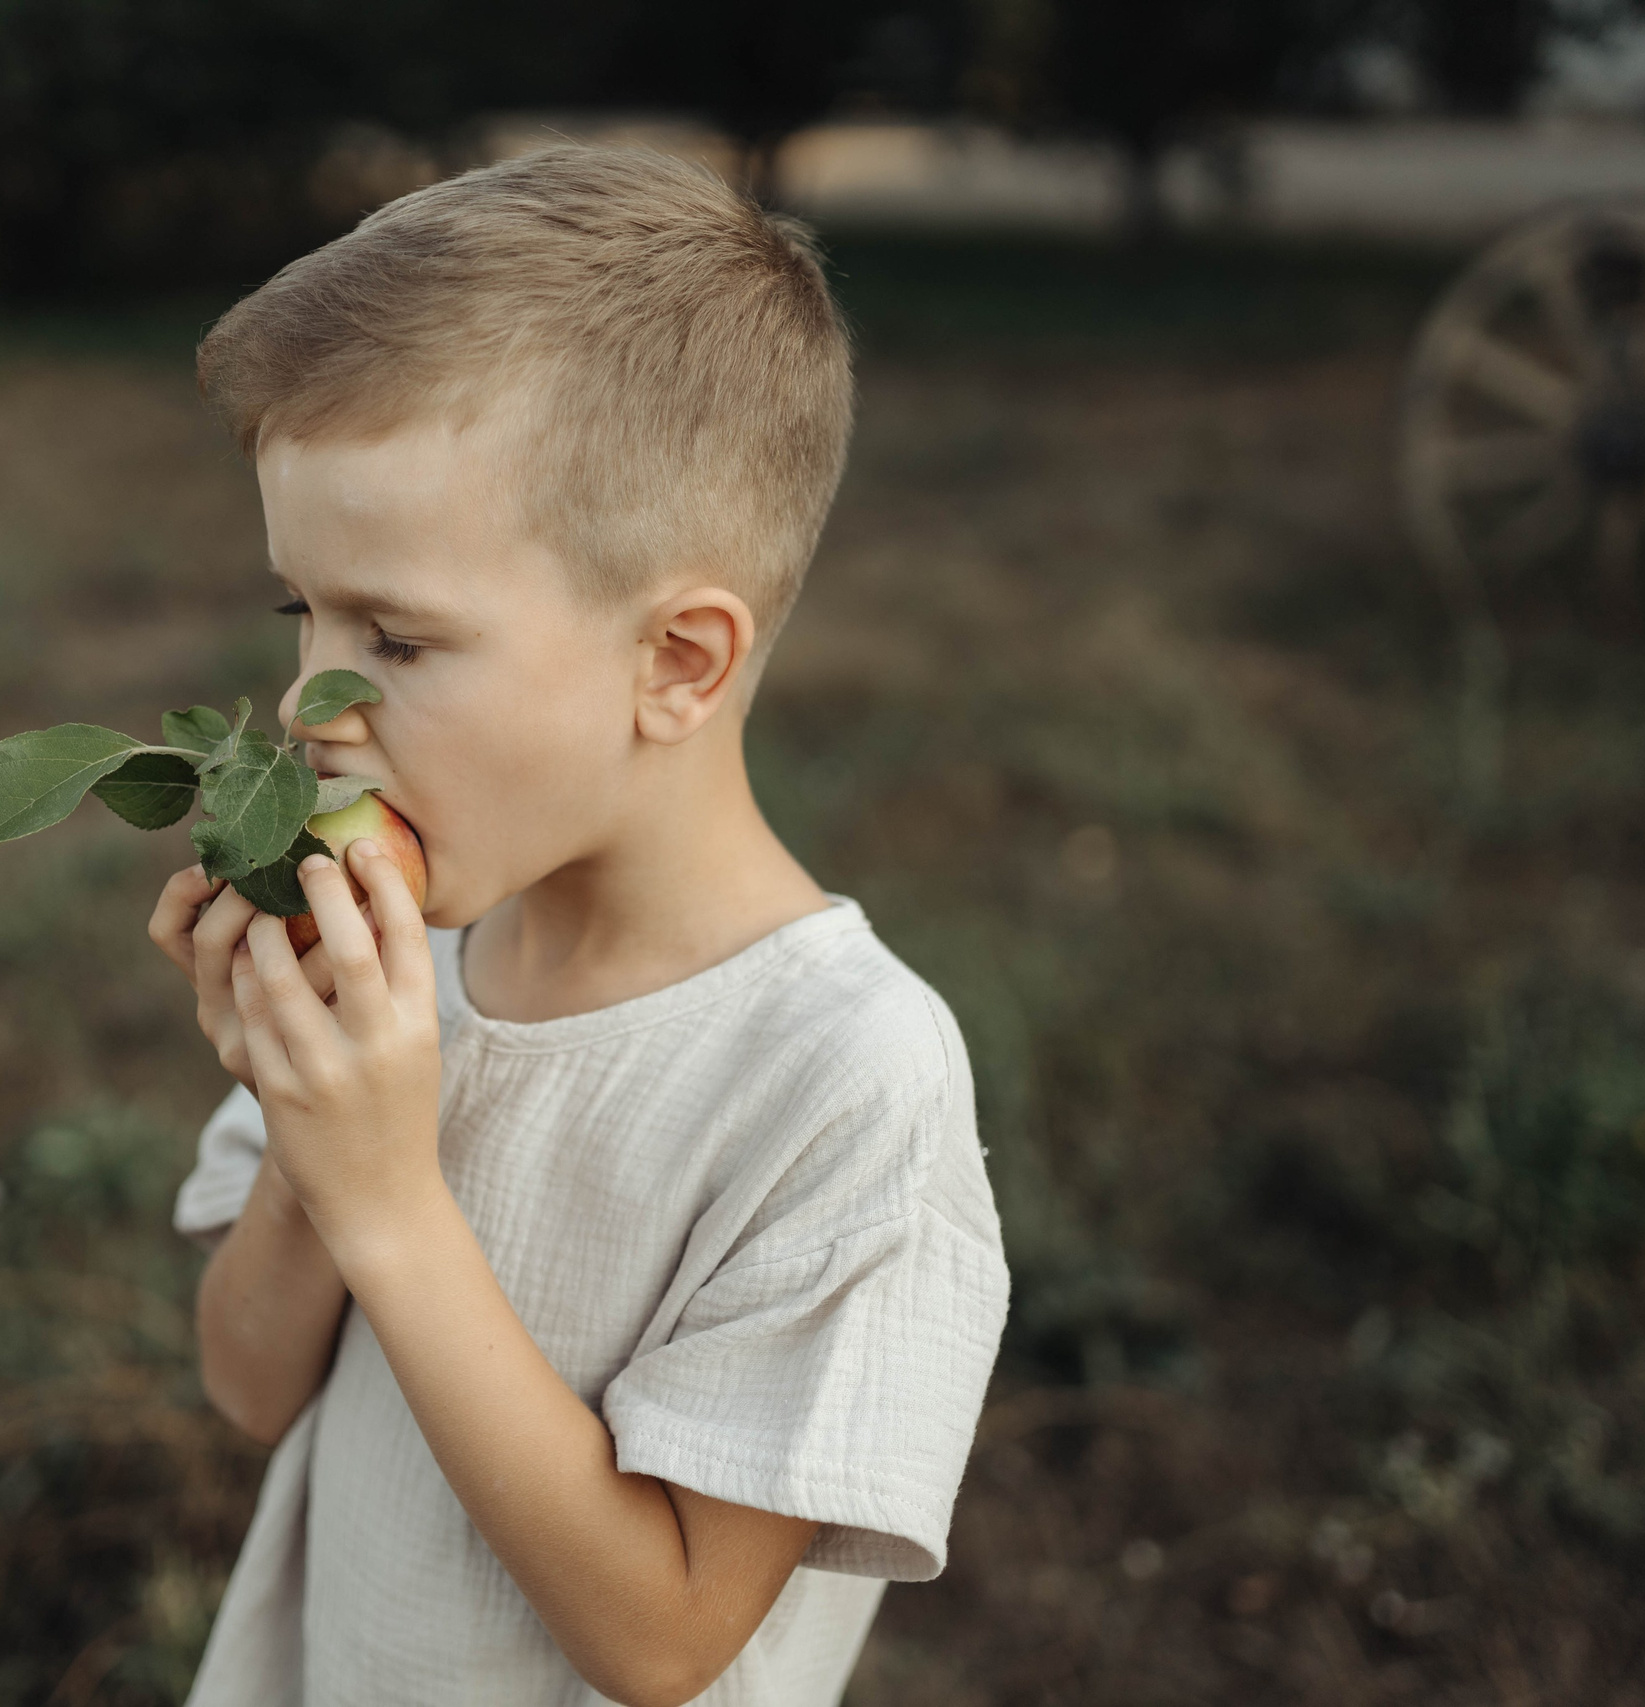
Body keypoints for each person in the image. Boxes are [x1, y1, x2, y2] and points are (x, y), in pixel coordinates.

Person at [145, 144, 1008, 1707]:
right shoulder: (417, 968)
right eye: (305, 616)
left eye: (397, 638)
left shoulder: (842, 1079)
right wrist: (305, 1138)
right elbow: (249, 1387)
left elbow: (666, 1638)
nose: (308, 706)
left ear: (677, 662)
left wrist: (394, 1200)